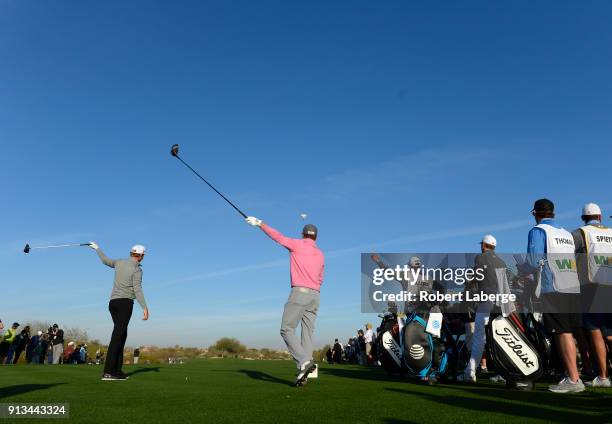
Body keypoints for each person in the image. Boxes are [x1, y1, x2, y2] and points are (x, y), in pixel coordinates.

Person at [245, 217, 324, 385]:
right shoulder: (320, 253)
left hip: (300, 293)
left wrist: (260, 224)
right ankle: (305, 374)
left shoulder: (297, 244)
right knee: (307, 334)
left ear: (303, 235)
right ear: (315, 237)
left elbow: (277, 236)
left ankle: (304, 362)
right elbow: (321, 277)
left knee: (286, 329)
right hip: (316, 295)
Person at [527, 199, 584, 393]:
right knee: (570, 333)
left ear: (536, 213)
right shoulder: (566, 233)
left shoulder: (538, 231)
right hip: (572, 284)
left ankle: (574, 379)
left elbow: (534, 262)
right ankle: (573, 374)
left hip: (553, 286)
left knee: (562, 333)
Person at [89, 242, 150, 381]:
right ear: (140, 256)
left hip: (113, 303)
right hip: (125, 303)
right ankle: (109, 371)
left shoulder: (119, 262)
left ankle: (117, 371)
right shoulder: (137, 269)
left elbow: (105, 260)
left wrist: (97, 248)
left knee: (121, 334)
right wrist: (145, 308)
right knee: (118, 336)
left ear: (131, 253)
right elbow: (137, 289)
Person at [573, 202, 612, 388]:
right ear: (600, 217)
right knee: (610, 333)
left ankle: (603, 376)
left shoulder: (580, 233)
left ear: (583, 218)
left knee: (595, 330)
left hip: (591, 286)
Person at [459, 235, 507, 382]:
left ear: (484, 245)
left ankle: (470, 372)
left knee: (479, 338)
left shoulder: (480, 258)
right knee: (500, 339)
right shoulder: (501, 261)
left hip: (486, 301)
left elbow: (476, 277)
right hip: (501, 303)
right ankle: (505, 372)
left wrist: (467, 282)